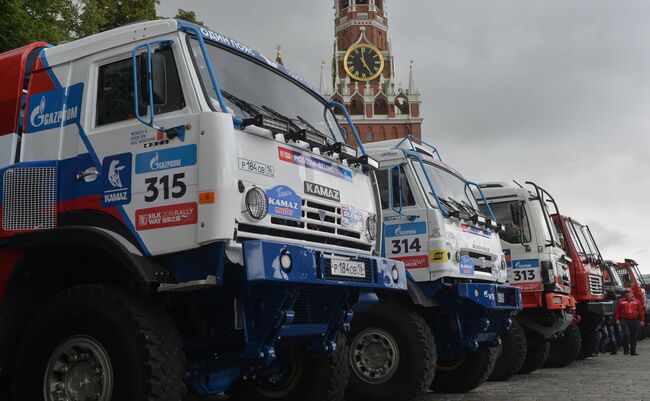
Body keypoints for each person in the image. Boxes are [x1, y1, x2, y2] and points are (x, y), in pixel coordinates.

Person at [615, 289, 645, 355]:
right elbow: (617, 311)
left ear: (632, 294)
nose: (627, 294)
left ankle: (633, 351)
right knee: (626, 334)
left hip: (634, 320)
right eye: (626, 293)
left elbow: (640, 311)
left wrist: (642, 320)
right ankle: (626, 350)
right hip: (624, 320)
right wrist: (617, 319)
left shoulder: (637, 301)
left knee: (634, 336)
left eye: (629, 293)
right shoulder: (620, 301)